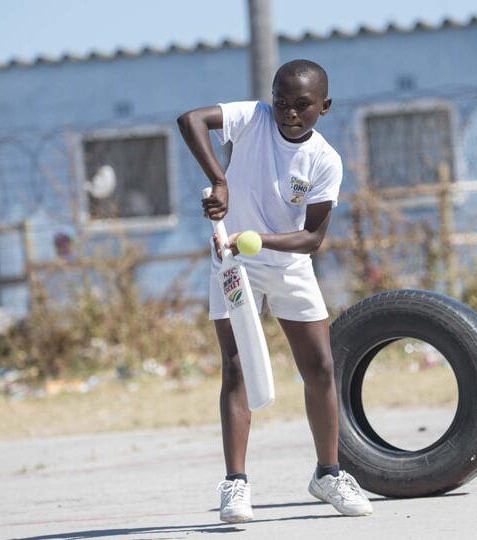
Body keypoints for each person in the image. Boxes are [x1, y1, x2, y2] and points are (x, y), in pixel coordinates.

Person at [177, 59, 373, 522]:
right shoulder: (252, 119)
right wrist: (219, 180)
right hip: (233, 262)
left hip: (287, 263)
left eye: (302, 105)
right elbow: (190, 121)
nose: (288, 113)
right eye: (281, 102)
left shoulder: (324, 160)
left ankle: (328, 474)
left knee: (321, 366)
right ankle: (236, 484)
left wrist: (261, 239)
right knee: (237, 368)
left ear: (324, 107)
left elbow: (312, 238)